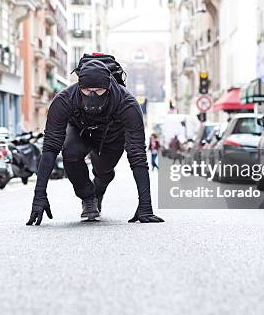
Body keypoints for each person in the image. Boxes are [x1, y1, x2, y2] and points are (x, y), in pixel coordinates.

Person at [26, 59, 164, 225]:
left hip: (112, 137)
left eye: (99, 90)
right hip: (79, 131)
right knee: (69, 153)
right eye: (86, 90)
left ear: (108, 87)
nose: (92, 95)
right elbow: (49, 148)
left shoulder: (127, 103)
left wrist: (145, 206)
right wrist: (39, 195)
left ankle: (101, 185)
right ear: (79, 86)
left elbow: (138, 155)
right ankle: (88, 197)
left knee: (104, 170)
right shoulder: (64, 99)